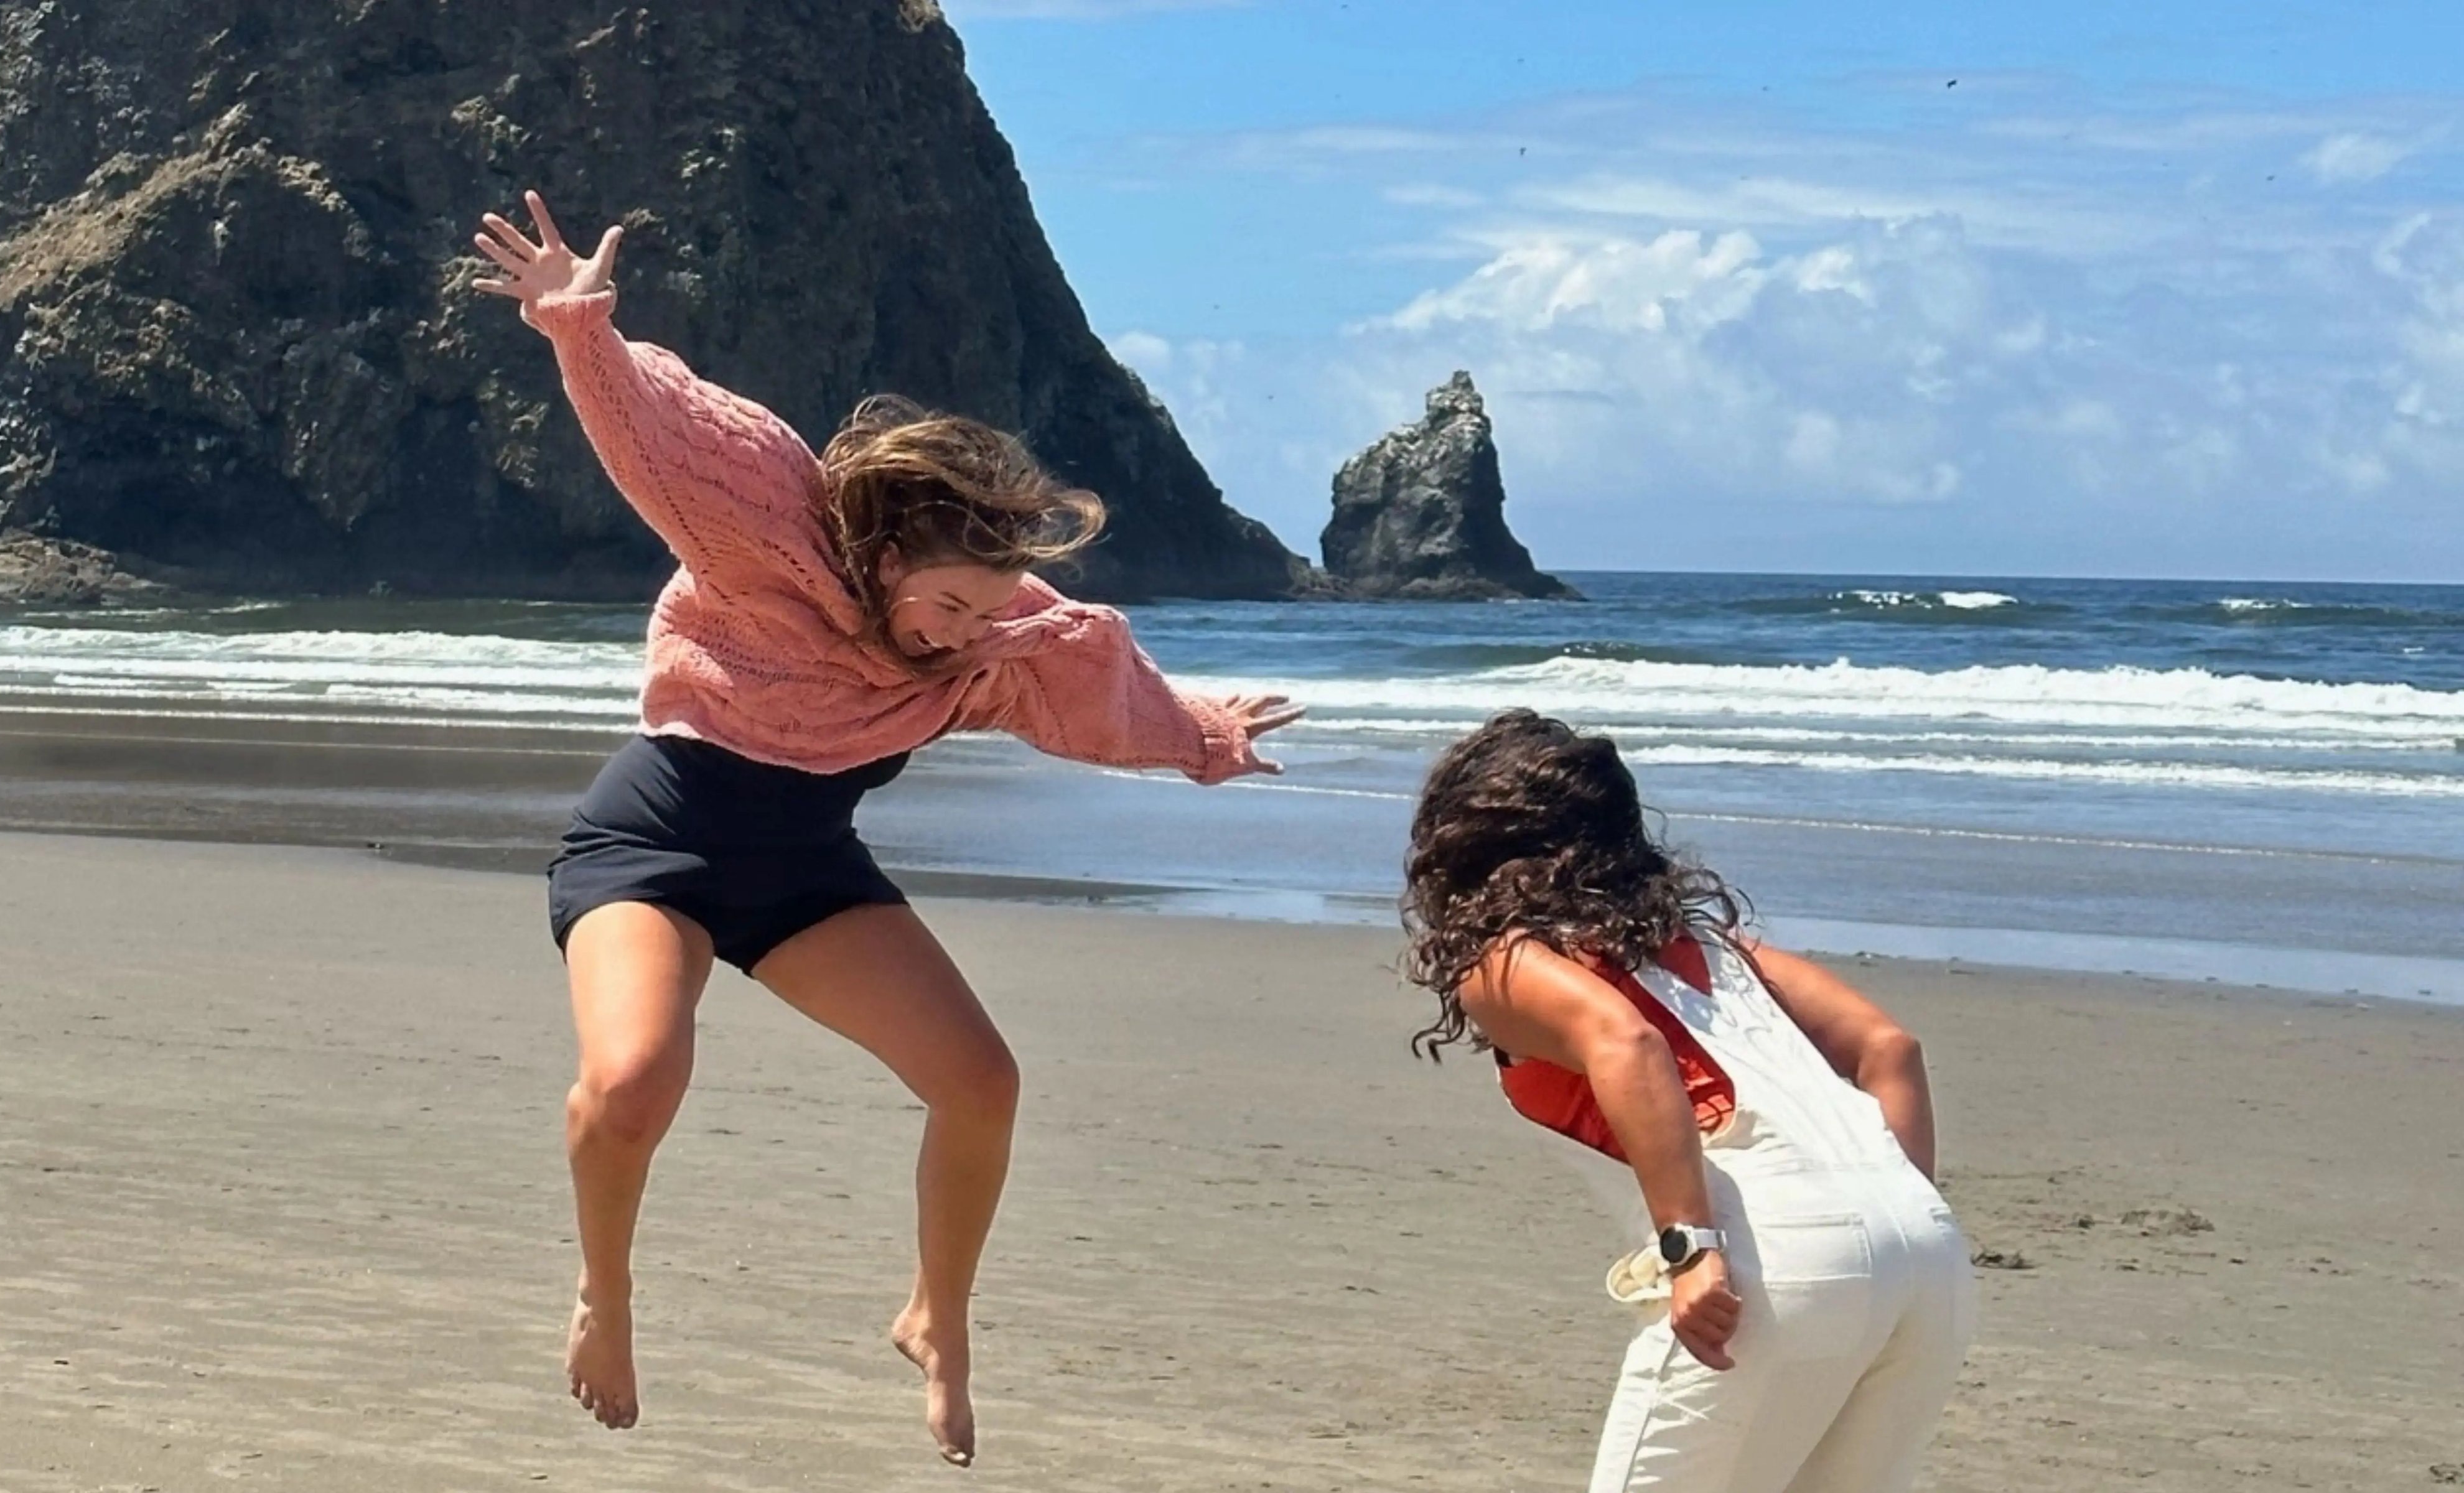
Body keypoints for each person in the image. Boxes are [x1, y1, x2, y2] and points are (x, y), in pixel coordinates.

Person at [470, 192, 1303, 1465]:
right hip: (655, 845)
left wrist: (1201, 739)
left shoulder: (978, 654)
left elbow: (1090, 696)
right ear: (889, 553)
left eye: (986, 612)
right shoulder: (770, 542)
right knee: (635, 1082)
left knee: (982, 1084)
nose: (963, 634)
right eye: (949, 603)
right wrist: (580, 329)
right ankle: (606, 1295)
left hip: (809, 874)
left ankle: (937, 1316)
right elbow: (668, 442)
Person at [1401, 709, 1972, 1493]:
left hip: (1777, 1257)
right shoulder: (1717, 948)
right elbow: (1889, 1049)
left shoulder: (1506, 961)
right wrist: (1894, 1221)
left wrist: (1688, 1246)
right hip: (1926, 1254)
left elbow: (1626, 1043)